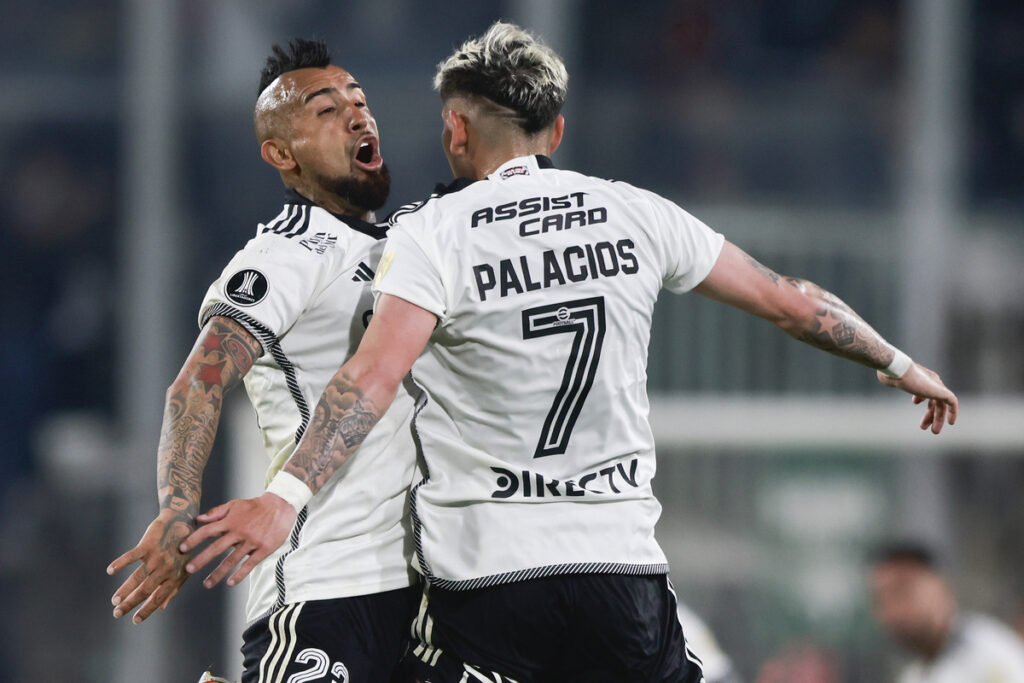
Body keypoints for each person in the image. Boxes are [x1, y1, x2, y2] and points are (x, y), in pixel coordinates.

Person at [181, 22, 958, 682]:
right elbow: (791, 302)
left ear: (454, 132)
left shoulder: (433, 232)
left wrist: (281, 498)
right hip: (621, 569)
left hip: (486, 578)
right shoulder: (637, 212)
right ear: (556, 130)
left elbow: (371, 377)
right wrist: (899, 362)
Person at [106, 38, 420, 683]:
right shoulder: (287, 253)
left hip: (431, 584)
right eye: (327, 110)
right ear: (282, 154)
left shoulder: (413, 246)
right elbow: (198, 383)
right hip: (330, 580)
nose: (358, 116)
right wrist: (176, 509)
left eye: (360, 102)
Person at [870, 542, 1024, 682]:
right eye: (881, 599)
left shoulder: (989, 654)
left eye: (903, 591)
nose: (893, 610)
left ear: (943, 588)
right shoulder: (913, 676)